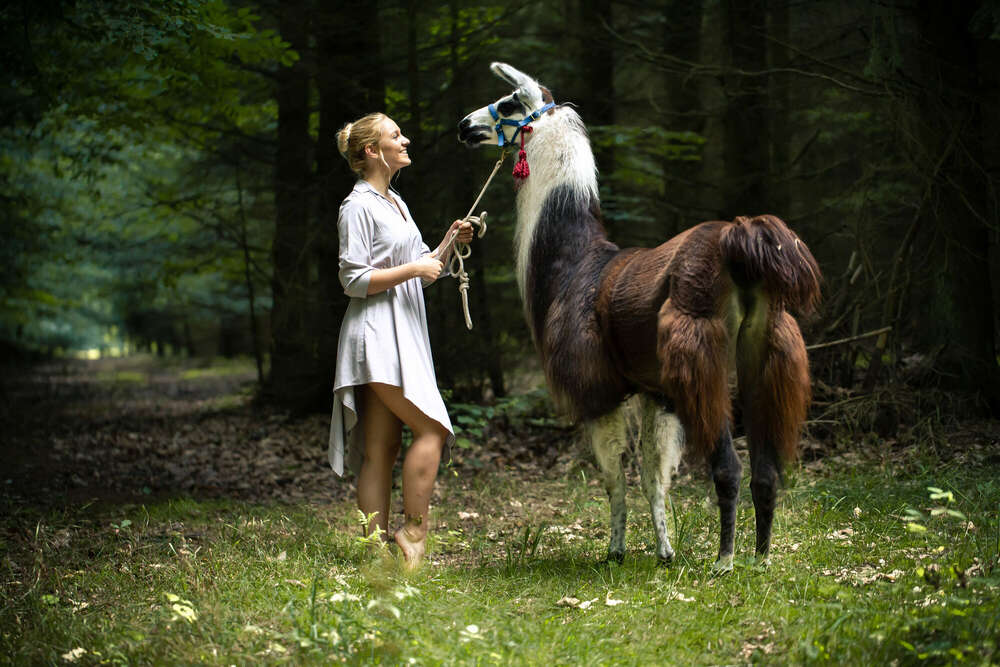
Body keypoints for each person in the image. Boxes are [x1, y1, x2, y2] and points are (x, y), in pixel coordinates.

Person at [328, 112, 472, 569]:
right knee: (432, 427)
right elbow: (353, 279)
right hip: (374, 337)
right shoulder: (357, 207)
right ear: (373, 152)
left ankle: (375, 554)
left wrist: (448, 244)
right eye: (395, 136)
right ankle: (411, 534)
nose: (405, 140)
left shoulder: (395, 202)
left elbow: (420, 273)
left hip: (401, 330)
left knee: (381, 446)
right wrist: (415, 268)